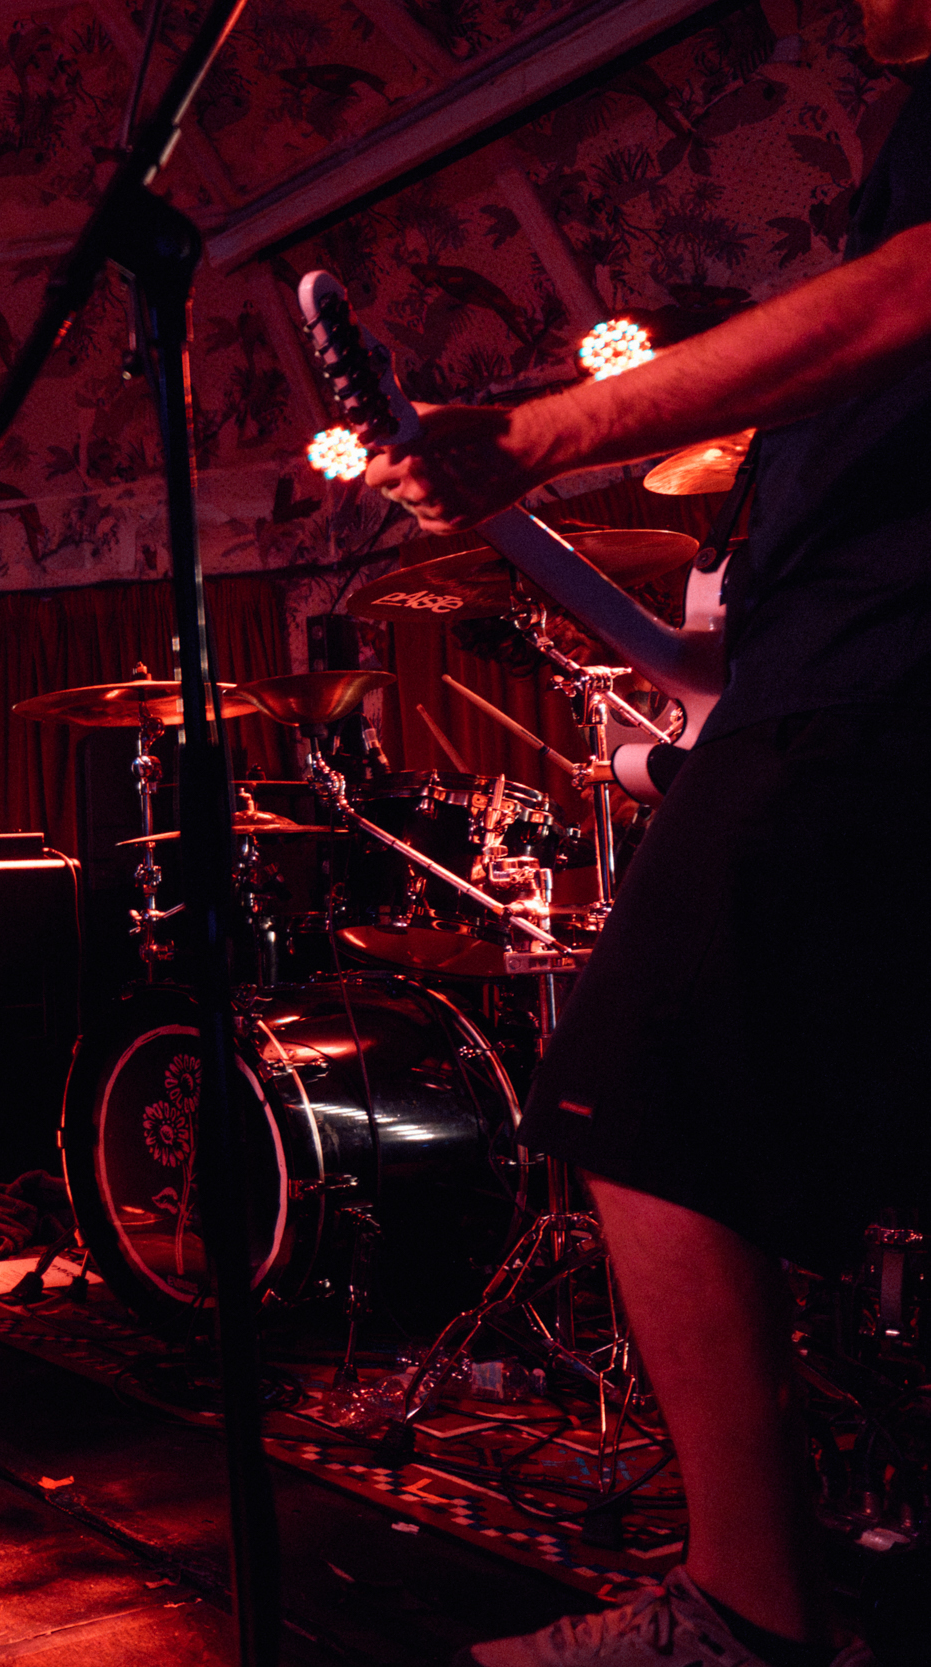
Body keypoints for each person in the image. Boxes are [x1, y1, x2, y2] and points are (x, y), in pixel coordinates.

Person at [364, 9, 931, 1659]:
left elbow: (909, 293)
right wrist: (532, 534)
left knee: (631, 1078)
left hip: (876, 676)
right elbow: (697, 656)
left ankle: (745, 1606)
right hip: (826, 676)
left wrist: (541, 432)